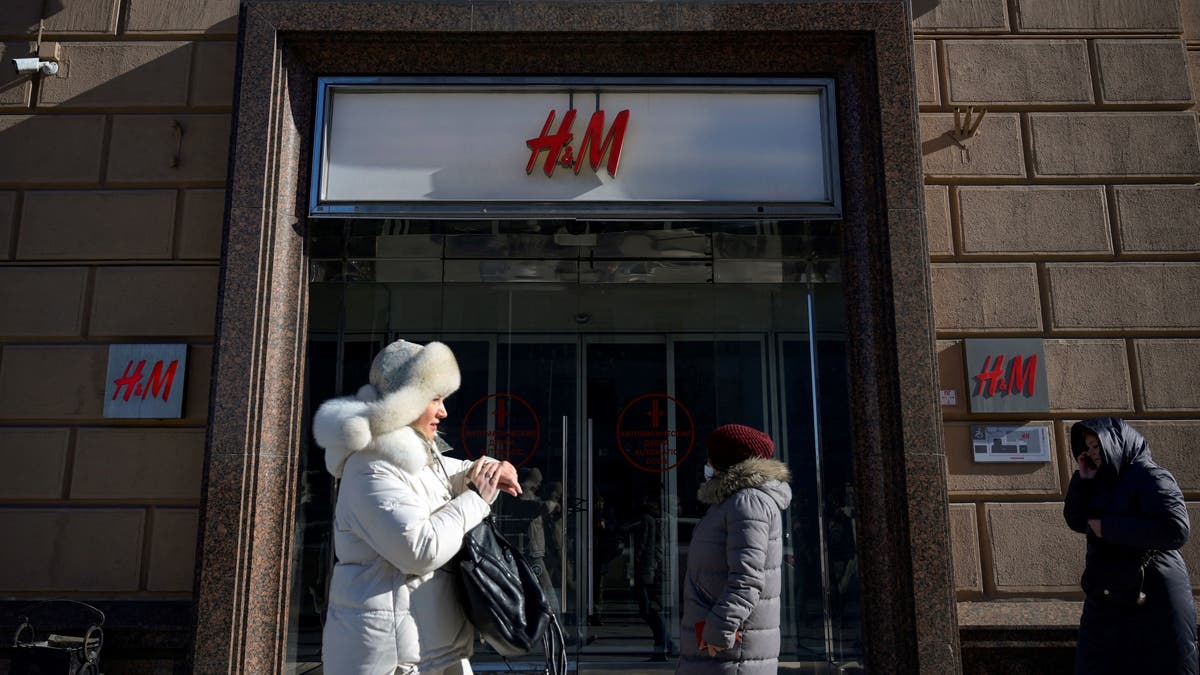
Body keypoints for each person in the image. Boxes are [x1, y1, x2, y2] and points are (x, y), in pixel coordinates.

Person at [312, 339, 521, 675]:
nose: (443, 411)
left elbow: (450, 472)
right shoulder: (370, 466)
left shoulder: (417, 459)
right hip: (391, 660)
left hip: (428, 648)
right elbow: (419, 550)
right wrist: (476, 499)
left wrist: (493, 469)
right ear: (403, 402)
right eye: (434, 399)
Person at [1063, 417, 1197, 675]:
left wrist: (1109, 528)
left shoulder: (1150, 475)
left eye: (1096, 446)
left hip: (1151, 590)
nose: (1092, 452)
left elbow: (1176, 529)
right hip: (1107, 591)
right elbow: (1077, 520)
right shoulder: (1101, 481)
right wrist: (1083, 480)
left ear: (1113, 442)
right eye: (1088, 447)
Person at [678, 424, 792, 674]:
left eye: (711, 456)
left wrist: (718, 630)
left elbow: (747, 579)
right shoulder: (733, 502)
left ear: (726, 460)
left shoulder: (748, 503)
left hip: (730, 654)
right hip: (722, 651)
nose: (706, 463)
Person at [632, 496, 672, 661]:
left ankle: (663, 645)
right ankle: (666, 644)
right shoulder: (659, 520)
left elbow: (641, 547)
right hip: (653, 570)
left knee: (648, 610)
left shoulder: (646, 519)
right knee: (652, 609)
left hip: (646, 571)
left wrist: (637, 565)